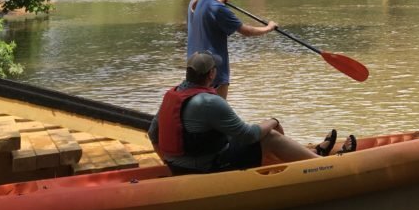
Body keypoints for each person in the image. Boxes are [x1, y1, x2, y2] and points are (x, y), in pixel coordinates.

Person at [149, 52, 356, 175]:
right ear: (211, 74)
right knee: (270, 136)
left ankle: (312, 153)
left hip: (180, 165)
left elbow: (153, 134)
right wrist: (273, 121)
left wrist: (171, 165)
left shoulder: (174, 94)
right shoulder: (210, 102)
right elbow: (248, 135)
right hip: (206, 167)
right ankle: (323, 166)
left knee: (250, 133)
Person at [186, 0, 276, 99]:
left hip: (194, 68)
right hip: (213, 71)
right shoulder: (217, 8)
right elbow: (246, 31)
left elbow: (206, 4)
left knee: (199, 110)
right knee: (218, 114)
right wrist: (269, 28)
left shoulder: (194, 2)